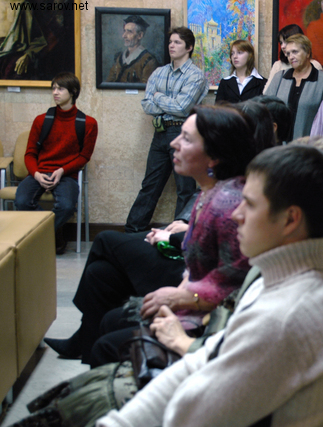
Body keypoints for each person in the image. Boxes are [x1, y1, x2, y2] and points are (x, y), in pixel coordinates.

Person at [95, 144, 323, 427]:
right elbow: (206, 358)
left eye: (250, 204)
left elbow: (193, 415)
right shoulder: (280, 279)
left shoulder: (286, 317)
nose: (236, 214)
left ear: (290, 219)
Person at [45, 106, 255, 365]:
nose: (174, 143)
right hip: (195, 298)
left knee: (106, 339)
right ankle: (88, 350)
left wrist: (180, 298)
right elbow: (197, 270)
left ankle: (98, 365)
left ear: (214, 157)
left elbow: (234, 287)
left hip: (208, 320)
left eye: (186, 139)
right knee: (101, 274)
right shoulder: (210, 192)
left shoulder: (228, 204)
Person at [124, 27, 208, 233]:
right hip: (160, 133)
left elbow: (182, 108)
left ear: (189, 47)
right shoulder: (158, 72)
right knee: (150, 185)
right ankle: (132, 231)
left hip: (183, 134)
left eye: (177, 42)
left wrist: (158, 97)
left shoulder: (195, 75)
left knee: (185, 189)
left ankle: (178, 236)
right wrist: (166, 102)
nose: (172, 45)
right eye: (170, 42)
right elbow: (147, 105)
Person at [15, 72, 98, 254]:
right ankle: (54, 233)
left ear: (73, 91)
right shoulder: (41, 120)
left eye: (60, 89)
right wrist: (37, 174)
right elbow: (30, 154)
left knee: (67, 207)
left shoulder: (88, 123)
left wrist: (62, 170)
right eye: (53, 88)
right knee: (21, 201)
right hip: (39, 171)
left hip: (66, 174)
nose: (55, 92)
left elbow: (84, 157)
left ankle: (42, 235)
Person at [265, 34, 323, 140]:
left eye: (295, 52)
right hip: (279, 145)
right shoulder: (280, 77)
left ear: (308, 53)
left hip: (308, 145)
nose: (291, 57)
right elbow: (266, 108)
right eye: (288, 53)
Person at [263, 24, 323, 93]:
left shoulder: (314, 65)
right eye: (281, 42)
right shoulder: (278, 65)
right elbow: (266, 94)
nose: (282, 46)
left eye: (286, 41)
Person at [106, 15, 160, 84]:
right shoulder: (119, 57)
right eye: (124, 31)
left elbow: (147, 87)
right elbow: (109, 83)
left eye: (129, 32)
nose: (124, 36)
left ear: (140, 35)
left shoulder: (149, 61)